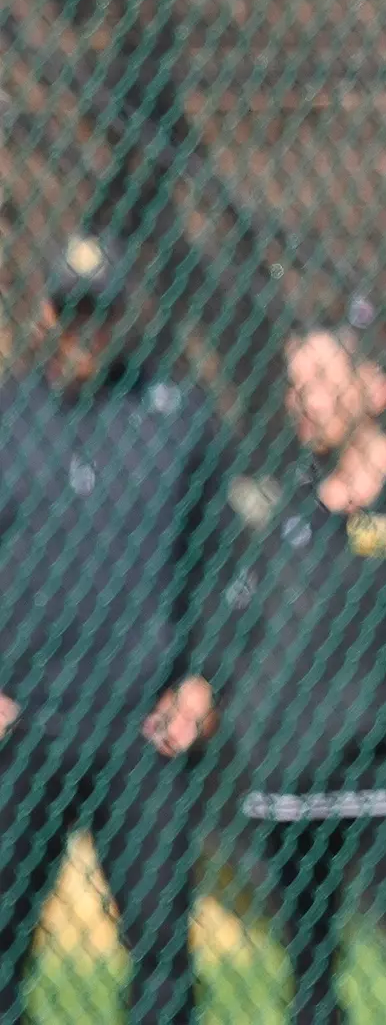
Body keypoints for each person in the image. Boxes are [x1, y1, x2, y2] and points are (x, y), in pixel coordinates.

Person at [217, 322, 386, 1023]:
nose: (304, 400)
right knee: (308, 983)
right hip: (296, 781)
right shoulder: (291, 512)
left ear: (374, 388)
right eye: (294, 385)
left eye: (323, 382)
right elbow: (251, 635)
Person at [0, 232, 231, 1025]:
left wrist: (201, 680)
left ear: (123, 316)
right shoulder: (9, 417)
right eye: (71, 310)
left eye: (100, 312)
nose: (85, 328)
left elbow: (219, 565)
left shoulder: (176, 418)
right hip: (22, 721)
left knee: (162, 944)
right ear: (45, 312)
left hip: (142, 729)